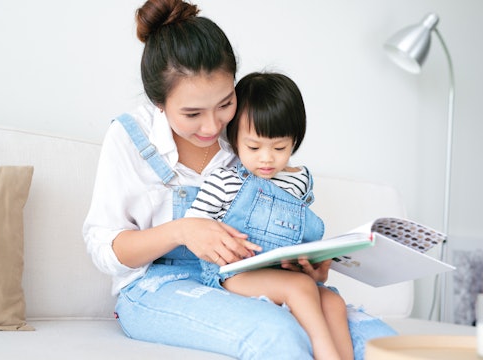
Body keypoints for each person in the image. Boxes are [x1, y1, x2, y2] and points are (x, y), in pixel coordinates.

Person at [83, 0, 398, 358]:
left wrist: (304, 263)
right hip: (158, 285)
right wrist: (183, 231)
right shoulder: (130, 138)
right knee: (277, 332)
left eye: (224, 103)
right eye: (191, 113)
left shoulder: (247, 134)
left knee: (378, 342)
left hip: (246, 277)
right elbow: (103, 247)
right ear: (159, 102)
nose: (213, 125)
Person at [185, 72, 353, 360]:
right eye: (253, 147)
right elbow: (192, 228)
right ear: (234, 139)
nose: (267, 158)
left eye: (279, 148)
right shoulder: (225, 181)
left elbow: (298, 231)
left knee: (334, 302)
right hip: (234, 275)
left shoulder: (298, 182)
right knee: (300, 288)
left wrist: (313, 258)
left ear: (294, 142)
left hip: (282, 273)